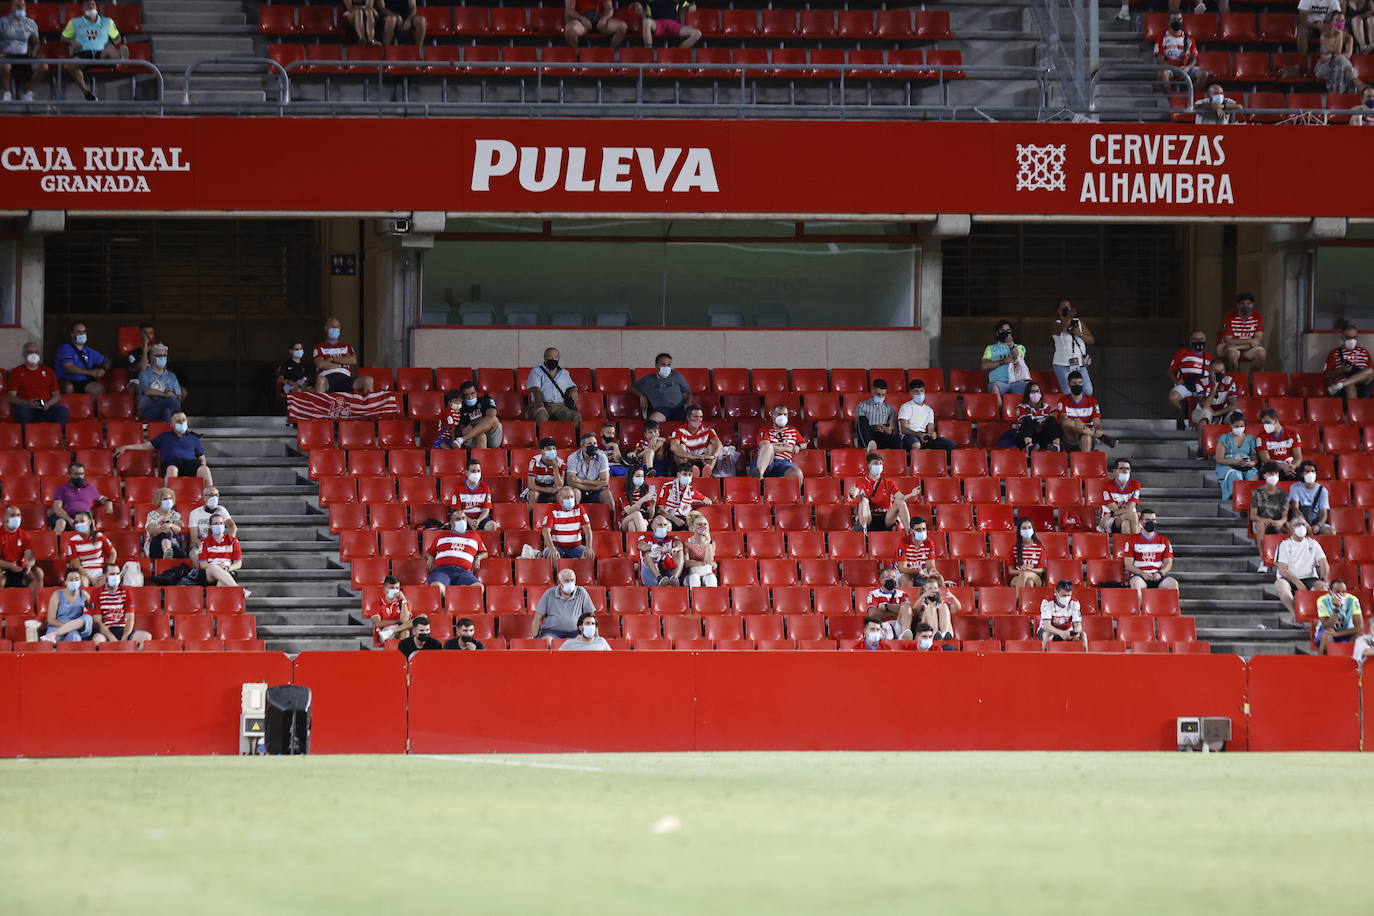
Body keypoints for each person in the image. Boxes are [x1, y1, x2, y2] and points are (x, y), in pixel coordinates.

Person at [115, 412, 214, 487]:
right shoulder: (164, 437)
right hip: (171, 464)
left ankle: (210, 496)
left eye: (184, 420)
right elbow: (146, 446)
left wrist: (202, 467)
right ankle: (168, 498)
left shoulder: (193, 438)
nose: (182, 423)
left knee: (204, 469)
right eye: (178, 421)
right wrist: (126, 447)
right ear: (172, 424)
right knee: (172, 469)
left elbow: (202, 457)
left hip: (190, 463)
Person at [61, 0, 125, 102]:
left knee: (110, 48)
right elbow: (63, 37)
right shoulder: (74, 22)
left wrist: (113, 42)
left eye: (92, 4)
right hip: (83, 54)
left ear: (96, 7)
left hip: (102, 54)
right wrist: (71, 41)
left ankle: (121, 58)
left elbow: (117, 38)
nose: (90, 6)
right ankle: (86, 92)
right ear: (83, 9)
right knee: (72, 64)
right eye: (87, 4)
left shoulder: (108, 22)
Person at [1273, 520, 1329, 620]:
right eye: (1297, 525)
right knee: (1280, 585)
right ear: (1291, 527)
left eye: (1303, 524)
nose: (1301, 527)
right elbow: (1282, 570)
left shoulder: (1313, 543)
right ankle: (1295, 614)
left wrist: (1323, 580)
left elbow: (1324, 563)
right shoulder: (1284, 545)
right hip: (1289, 579)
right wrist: (1297, 583)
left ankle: (1321, 618)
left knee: (1323, 586)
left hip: (1310, 578)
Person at [849, 452, 915, 532]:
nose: (879, 466)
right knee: (864, 501)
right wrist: (852, 494)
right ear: (869, 465)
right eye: (876, 463)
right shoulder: (862, 481)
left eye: (880, 463)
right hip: (869, 517)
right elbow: (855, 492)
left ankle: (909, 532)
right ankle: (863, 531)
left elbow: (901, 497)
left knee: (901, 502)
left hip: (886, 517)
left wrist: (911, 494)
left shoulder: (888, 483)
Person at [425, 514, 487, 597]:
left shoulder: (474, 536)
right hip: (442, 571)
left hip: (464, 572)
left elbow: (485, 553)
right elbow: (428, 552)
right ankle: (453, 602)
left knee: (478, 588)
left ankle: (458, 603)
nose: (462, 521)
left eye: (463, 518)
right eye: (458, 519)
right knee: (437, 588)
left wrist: (478, 558)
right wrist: (430, 557)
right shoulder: (440, 536)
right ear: (451, 522)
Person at [0, 0, 49, 103]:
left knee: (43, 67)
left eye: (23, 5)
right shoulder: (2, 22)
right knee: (4, 66)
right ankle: (7, 93)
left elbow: (36, 42)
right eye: (18, 5)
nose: (21, 8)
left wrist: (34, 51)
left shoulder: (30, 23)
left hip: (25, 55)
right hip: (7, 55)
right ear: (12, 7)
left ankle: (27, 92)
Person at [7, 342, 68, 424]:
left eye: (36, 352)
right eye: (30, 352)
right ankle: (25, 435)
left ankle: (59, 436)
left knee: (62, 411)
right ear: (24, 355)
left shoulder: (48, 371)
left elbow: (56, 395)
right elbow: (11, 397)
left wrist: (48, 404)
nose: (34, 355)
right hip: (27, 408)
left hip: (46, 408)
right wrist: (28, 403)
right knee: (21, 411)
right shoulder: (17, 372)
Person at [1056, 371, 1118, 451]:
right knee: (1067, 422)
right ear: (1069, 384)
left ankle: (1084, 461)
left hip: (1086, 436)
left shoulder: (1092, 401)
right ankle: (1101, 437)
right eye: (1074, 383)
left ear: (1083, 383)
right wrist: (1076, 420)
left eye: (1079, 382)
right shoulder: (1063, 400)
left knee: (1087, 437)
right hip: (1070, 437)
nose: (1077, 385)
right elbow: (1063, 420)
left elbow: (1097, 423)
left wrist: (1097, 429)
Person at [90, 563, 149, 646]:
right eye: (112, 574)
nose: (115, 576)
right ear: (104, 576)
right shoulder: (96, 593)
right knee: (97, 640)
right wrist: (111, 637)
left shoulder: (126, 592)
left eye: (117, 574)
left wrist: (125, 637)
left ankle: (133, 659)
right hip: (105, 630)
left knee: (146, 637)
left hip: (122, 629)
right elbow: (97, 622)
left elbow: (130, 619)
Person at [1123, 508, 1179, 596]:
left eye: (1153, 520)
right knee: (1136, 583)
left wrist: (1160, 573)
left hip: (1158, 576)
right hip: (1140, 576)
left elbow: (1168, 563)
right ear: (1141, 522)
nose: (1151, 522)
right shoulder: (1132, 541)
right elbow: (1128, 565)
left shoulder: (1164, 541)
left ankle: (1172, 610)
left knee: (1173, 584)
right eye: (1147, 520)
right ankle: (1139, 610)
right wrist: (1142, 573)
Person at [540, 486, 595, 572]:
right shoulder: (552, 510)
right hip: (556, 546)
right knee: (553, 556)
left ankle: (579, 580)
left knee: (588, 555)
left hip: (575, 547)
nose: (570, 499)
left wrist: (589, 547)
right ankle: (558, 581)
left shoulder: (579, 509)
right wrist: (552, 549)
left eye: (571, 497)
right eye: (566, 497)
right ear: (560, 499)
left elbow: (588, 529)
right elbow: (545, 531)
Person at [531, 568, 597, 639]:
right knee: (548, 640)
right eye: (566, 581)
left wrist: (596, 636)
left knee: (580, 642)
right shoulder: (549, 593)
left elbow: (591, 616)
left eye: (572, 580)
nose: (570, 583)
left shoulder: (581, 592)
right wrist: (535, 637)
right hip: (551, 631)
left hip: (576, 632)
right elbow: (538, 616)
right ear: (559, 582)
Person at [434, 382, 502, 449]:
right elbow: (463, 429)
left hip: (491, 435)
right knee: (480, 435)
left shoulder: (486, 400)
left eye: (472, 393)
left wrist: (472, 424)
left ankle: (462, 439)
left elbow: (491, 415)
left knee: (494, 419)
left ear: (476, 392)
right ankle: (482, 459)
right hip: (472, 438)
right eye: (466, 395)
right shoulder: (460, 407)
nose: (470, 397)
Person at [313, 318, 374, 395]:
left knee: (368, 380)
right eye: (332, 327)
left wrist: (332, 359)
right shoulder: (319, 347)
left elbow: (353, 360)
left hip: (345, 378)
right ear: (326, 328)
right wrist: (342, 364)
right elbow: (320, 364)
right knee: (320, 380)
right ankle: (319, 406)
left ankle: (368, 406)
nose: (335, 329)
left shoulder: (347, 347)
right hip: (327, 378)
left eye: (337, 327)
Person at [896, 379, 957, 454]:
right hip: (909, 436)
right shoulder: (905, 407)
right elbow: (904, 429)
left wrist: (932, 433)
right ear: (911, 392)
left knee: (950, 445)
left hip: (924, 436)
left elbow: (930, 428)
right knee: (916, 444)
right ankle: (916, 464)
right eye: (916, 391)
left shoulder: (929, 410)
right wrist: (919, 434)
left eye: (921, 391)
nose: (919, 393)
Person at [49, 461, 112, 533]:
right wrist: (69, 519)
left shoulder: (89, 488)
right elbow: (57, 507)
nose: (79, 477)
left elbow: (102, 498)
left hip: (83, 517)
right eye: (76, 474)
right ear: (69, 475)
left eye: (81, 474)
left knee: (88, 522)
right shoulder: (62, 488)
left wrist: (108, 502)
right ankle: (54, 543)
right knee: (61, 523)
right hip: (65, 517)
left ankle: (91, 542)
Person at [1167, 331, 1213, 429]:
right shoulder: (1182, 353)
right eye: (1195, 339)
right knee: (1173, 398)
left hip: (1201, 388)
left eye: (1201, 339)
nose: (1199, 342)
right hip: (1185, 386)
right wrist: (1176, 381)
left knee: (1204, 410)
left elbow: (1212, 375)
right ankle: (1180, 418)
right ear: (1190, 341)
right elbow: (1169, 371)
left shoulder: (1209, 357)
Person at [1250, 463, 1290, 573]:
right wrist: (1264, 520)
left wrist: (1280, 522)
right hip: (1261, 521)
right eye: (1270, 473)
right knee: (1260, 525)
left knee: (1290, 527)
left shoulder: (1283, 494)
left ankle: (1288, 562)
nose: (1274, 475)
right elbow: (1253, 516)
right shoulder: (1256, 493)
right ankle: (1264, 561)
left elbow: (1285, 517)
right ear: (1264, 476)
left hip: (1276, 521)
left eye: (1276, 473)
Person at [525, 347, 582, 425]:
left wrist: (573, 389)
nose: (553, 359)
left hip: (560, 407)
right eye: (550, 357)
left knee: (575, 416)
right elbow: (536, 390)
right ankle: (543, 437)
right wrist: (540, 405)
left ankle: (575, 437)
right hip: (543, 404)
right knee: (541, 415)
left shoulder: (564, 373)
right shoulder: (536, 371)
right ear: (544, 358)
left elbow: (572, 385)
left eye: (555, 357)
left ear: (558, 359)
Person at [0, 504, 43, 606]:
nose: (16, 517)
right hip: (4, 567)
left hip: (19, 567)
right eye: (12, 515)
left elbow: (30, 555)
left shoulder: (23, 535)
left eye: (18, 515)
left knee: (37, 575)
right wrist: (10, 565)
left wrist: (29, 563)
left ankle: (32, 607)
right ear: (4, 517)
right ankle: (2, 609)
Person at [1050, 299, 1095, 395]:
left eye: (1068, 307)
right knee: (1068, 391)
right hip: (1062, 363)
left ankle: (1082, 409)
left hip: (1079, 363)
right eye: (1064, 307)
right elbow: (1060, 329)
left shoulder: (1078, 323)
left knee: (1088, 390)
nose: (1067, 309)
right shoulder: (1056, 323)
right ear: (1058, 310)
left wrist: (1079, 334)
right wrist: (1068, 316)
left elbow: (1091, 340)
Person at [1154, 13, 1207, 92]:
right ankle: (1172, 98)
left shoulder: (1189, 38)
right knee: (1162, 74)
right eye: (1174, 20)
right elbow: (1160, 60)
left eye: (1179, 19)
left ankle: (1191, 96)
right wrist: (1175, 69)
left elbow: (1194, 58)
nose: (1177, 22)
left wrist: (1188, 67)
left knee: (1204, 74)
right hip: (1170, 68)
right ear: (1168, 22)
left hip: (1185, 67)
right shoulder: (1161, 38)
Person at [61, 510, 115, 587]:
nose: (79, 524)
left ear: (89, 522)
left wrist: (107, 571)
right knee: (83, 583)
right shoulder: (73, 541)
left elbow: (113, 553)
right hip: (83, 572)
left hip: (100, 570)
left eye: (82, 521)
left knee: (106, 583)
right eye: (76, 522)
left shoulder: (99, 536)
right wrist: (91, 578)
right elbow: (76, 565)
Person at [752, 404, 808, 479]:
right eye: (779, 414)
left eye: (785, 414)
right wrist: (789, 448)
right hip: (767, 461)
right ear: (773, 415)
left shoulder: (793, 430)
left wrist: (799, 446)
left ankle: (794, 490)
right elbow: (765, 447)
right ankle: (759, 477)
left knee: (797, 473)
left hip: (784, 462)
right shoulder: (764, 430)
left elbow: (804, 444)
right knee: (768, 446)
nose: (782, 417)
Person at [53, 322, 109, 395]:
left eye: (84, 332)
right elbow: (69, 367)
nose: (82, 334)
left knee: (98, 389)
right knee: (68, 387)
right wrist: (91, 372)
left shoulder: (90, 351)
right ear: (72, 334)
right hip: (67, 380)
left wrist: (103, 369)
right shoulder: (65, 348)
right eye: (78, 331)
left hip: (84, 382)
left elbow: (107, 361)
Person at [134, 344, 187, 421]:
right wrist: (165, 394)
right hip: (149, 410)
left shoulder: (171, 376)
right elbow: (147, 391)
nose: (162, 358)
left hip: (168, 409)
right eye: (158, 356)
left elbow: (178, 396)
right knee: (171, 400)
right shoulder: (144, 374)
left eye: (164, 355)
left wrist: (175, 396)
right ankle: (181, 425)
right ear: (151, 357)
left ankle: (171, 430)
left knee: (167, 412)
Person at [39, 570, 95, 642]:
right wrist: (68, 627)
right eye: (71, 579)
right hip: (58, 626)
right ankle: (53, 635)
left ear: (80, 581)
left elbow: (93, 612)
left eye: (77, 579)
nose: (74, 581)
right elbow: (50, 620)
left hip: (75, 627)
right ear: (65, 582)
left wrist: (73, 626)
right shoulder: (57, 594)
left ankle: (55, 635)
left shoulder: (84, 594)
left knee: (87, 618)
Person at [1214, 411, 1259, 502]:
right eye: (1236, 426)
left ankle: (1250, 501)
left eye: (1242, 426)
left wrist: (1252, 463)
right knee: (1236, 475)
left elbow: (1254, 457)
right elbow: (1219, 458)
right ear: (1231, 425)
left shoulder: (1250, 439)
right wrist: (1234, 462)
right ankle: (1239, 499)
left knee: (1253, 475)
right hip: (1228, 465)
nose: (1239, 428)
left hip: (1245, 465)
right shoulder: (1224, 438)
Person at [634, 353, 693, 422]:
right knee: (654, 420)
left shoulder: (677, 377)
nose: (666, 367)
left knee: (693, 418)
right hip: (661, 410)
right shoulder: (647, 380)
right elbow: (631, 388)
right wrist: (641, 396)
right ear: (656, 365)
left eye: (668, 365)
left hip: (679, 408)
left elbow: (689, 393)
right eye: (663, 364)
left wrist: (688, 402)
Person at [1217, 292, 1265, 373]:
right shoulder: (1229, 316)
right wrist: (1250, 341)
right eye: (1242, 304)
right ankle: (1233, 381)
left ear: (1253, 305)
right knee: (1231, 355)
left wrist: (1238, 347)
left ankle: (1251, 381)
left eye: (1249, 303)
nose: (1246, 306)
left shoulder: (1258, 316)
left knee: (1261, 354)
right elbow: (1228, 341)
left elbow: (1258, 340)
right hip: (1231, 346)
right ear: (1238, 305)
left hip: (1242, 346)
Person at [1324, 321, 1373, 399]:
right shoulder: (1334, 353)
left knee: (1369, 371)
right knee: (1350, 387)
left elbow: (1371, 372)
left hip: (1363, 383)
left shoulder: (1364, 351)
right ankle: (1352, 410)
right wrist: (1341, 370)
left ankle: (1342, 384)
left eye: (1354, 337)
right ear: (1342, 337)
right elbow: (1326, 375)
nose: (1352, 340)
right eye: (1348, 338)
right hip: (1344, 386)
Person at [668, 405, 721, 476]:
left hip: (703, 458)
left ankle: (707, 474)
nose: (699, 419)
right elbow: (674, 447)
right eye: (696, 417)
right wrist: (691, 456)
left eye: (701, 417)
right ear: (688, 418)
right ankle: (687, 473)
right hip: (687, 459)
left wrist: (713, 456)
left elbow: (719, 445)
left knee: (711, 447)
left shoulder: (708, 429)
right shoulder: (679, 430)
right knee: (681, 447)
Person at [1316, 11, 1361, 94]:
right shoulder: (1324, 36)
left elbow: (1348, 55)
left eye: (1342, 20)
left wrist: (1336, 55)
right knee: (1345, 66)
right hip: (1325, 65)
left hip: (1342, 64)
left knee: (1341, 62)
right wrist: (1340, 34)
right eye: (1337, 20)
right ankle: (1348, 94)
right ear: (1331, 22)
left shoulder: (1349, 37)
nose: (1340, 23)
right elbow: (1337, 50)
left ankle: (1336, 95)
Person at [447, 459, 497, 532]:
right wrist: (469, 521)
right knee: (458, 525)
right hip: (464, 519)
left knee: (492, 525)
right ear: (466, 473)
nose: (476, 473)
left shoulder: (485, 487)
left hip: (480, 519)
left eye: (478, 471)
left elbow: (486, 510)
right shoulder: (459, 488)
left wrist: (478, 521)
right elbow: (457, 511)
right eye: (473, 471)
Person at [981, 321, 1030, 396]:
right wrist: (1002, 361)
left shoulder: (1019, 347)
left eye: (1008, 330)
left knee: (1032, 388)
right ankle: (999, 407)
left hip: (1017, 382)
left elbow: (1017, 357)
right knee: (995, 388)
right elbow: (984, 366)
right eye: (1002, 331)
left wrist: (1011, 346)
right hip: (998, 382)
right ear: (997, 333)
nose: (1005, 333)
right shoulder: (990, 348)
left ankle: (1024, 408)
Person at [865, 566, 914, 640]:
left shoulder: (902, 594)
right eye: (888, 577)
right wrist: (897, 613)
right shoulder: (874, 594)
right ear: (881, 580)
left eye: (894, 577)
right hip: (883, 625)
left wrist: (886, 606)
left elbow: (907, 611)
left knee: (906, 607)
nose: (892, 579)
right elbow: (873, 614)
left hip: (899, 624)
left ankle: (905, 636)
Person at [566, 430, 614, 506]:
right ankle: (575, 516)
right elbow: (571, 483)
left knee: (607, 494)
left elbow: (605, 482)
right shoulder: (573, 457)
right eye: (589, 444)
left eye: (595, 443)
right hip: (580, 490)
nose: (593, 446)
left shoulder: (602, 456)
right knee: (575, 493)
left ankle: (612, 518)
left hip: (596, 492)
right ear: (582, 446)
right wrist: (596, 486)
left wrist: (580, 480)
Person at [854, 378, 903, 451]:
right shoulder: (863, 405)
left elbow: (893, 427)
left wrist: (888, 430)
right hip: (868, 434)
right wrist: (874, 427)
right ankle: (868, 448)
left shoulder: (889, 409)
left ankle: (896, 459)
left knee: (896, 438)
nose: (880, 397)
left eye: (883, 395)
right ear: (873, 391)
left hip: (882, 434)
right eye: (878, 394)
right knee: (862, 419)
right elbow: (857, 426)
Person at [1315, 580, 1363, 655]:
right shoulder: (1322, 600)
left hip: (1346, 631)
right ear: (1330, 592)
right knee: (1326, 635)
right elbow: (1326, 626)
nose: (1341, 594)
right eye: (1337, 592)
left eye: (1343, 592)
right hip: (1327, 631)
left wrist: (1337, 634)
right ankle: (1323, 664)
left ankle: (1351, 662)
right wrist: (1337, 609)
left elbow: (1359, 627)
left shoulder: (1353, 600)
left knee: (1360, 636)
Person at [1288, 461, 1335, 535]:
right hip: (1299, 520)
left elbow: (1323, 513)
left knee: (1330, 532)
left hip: (1316, 521)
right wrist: (1305, 524)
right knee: (1297, 530)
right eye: (1307, 471)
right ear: (1302, 474)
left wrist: (1318, 526)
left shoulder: (1322, 490)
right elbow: (1295, 509)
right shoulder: (1295, 487)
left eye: (1313, 471)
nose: (1311, 474)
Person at [1014, 382, 1063, 454]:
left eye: (1038, 391)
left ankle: (1056, 446)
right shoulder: (1021, 407)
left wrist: (1050, 414)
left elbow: (1048, 423)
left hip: (1042, 435)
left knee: (1052, 419)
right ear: (1028, 393)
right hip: (1027, 436)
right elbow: (1022, 421)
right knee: (1027, 419)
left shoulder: (1046, 406)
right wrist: (1040, 421)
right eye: (1033, 391)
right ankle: (1029, 447)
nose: (1036, 394)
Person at [198, 519, 245, 592]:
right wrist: (217, 567)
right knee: (213, 567)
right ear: (210, 526)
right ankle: (239, 590)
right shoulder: (204, 542)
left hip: (227, 570)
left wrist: (227, 568)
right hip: (209, 574)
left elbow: (238, 564)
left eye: (221, 523)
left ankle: (217, 602)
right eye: (216, 523)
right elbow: (203, 564)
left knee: (222, 581)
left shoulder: (233, 541)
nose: (219, 525)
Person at [1038, 579, 1087, 649]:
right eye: (1064, 595)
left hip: (1067, 631)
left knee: (1083, 635)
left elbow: (1078, 625)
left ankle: (1085, 658)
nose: (1066, 598)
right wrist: (1060, 633)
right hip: (1050, 630)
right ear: (1056, 592)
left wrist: (1075, 632)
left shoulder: (1074, 603)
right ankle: (1044, 657)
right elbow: (1046, 625)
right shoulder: (1047, 602)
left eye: (1068, 595)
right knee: (1047, 635)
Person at [187, 486, 236, 555]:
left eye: (216, 495)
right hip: (201, 543)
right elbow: (194, 538)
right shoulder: (195, 513)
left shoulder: (222, 510)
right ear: (203, 497)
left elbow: (232, 526)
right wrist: (206, 548)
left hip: (219, 542)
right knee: (194, 554)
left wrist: (228, 543)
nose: (214, 497)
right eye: (211, 495)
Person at [1256, 408, 1302, 481]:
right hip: (1271, 468)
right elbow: (1266, 460)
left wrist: (1293, 466)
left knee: (1299, 474)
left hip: (1289, 467)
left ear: (1276, 420)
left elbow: (1298, 457)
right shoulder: (1261, 437)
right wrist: (1283, 467)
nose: (1265, 426)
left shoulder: (1292, 434)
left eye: (1268, 422)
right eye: (1264, 423)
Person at [365, 575, 412, 647]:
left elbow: (404, 621)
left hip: (399, 629)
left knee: (421, 618)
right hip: (385, 632)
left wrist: (403, 600)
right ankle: (391, 632)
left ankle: (400, 655)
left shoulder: (403, 603)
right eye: (392, 588)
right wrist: (396, 621)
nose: (395, 590)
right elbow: (378, 624)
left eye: (397, 588)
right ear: (384, 589)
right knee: (406, 630)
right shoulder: (377, 604)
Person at [637, 518, 684, 586]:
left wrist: (674, 549)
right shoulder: (645, 537)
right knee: (648, 553)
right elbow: (641, 546)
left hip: (667, 569)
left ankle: (674, 578)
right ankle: (659, 578)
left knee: (679, 552)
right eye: (660, 525)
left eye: (665, 525)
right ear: (652, 526)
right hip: (651, 574)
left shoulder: (672, 538)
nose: (663, 527)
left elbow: (679, 544)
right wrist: (656, 548)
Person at [143, 487, 187, 559]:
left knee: (182, 555)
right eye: (165, 499)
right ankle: (167, 550)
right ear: (159, 501)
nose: (168, 501)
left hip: (173, 544)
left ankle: (168, 551)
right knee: (165, 533)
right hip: (155, 543)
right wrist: (164, 528)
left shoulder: (176, 515)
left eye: (170, 498)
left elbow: (179, 529)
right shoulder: (152, 514)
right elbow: (152, 531)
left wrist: (170, 525)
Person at [1100, 458, 1141, 535]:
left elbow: (1130, 508)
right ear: (1115, 471)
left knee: (1125, 523)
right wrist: (1112, 514)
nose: (1125, 471)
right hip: (1110, 520)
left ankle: (1129, 545)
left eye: (1127, 469)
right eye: (1122, 469)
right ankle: (1136, 542)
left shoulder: (1135, 485)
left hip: (1125, 518)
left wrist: (1111, 513)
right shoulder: (1107, 486)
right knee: (1133, 515)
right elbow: (1114, 509)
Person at [893, 516, 939, 584]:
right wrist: (917, 571)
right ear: (911, 530)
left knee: (939, 579)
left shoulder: (929, 543)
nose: (922, 532)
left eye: (924, 529)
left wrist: (932, 571)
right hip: (904, 572)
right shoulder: (903, 542)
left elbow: (930, 565)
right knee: (906, 580)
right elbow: (902, 568)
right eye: (918, 530)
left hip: (921, 571)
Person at [1192, 358, 1238, 426]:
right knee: (1204, 419)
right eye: (1216, 371)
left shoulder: (1229, 381)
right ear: (1209, 371)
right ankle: (1203, 436)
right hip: (1202, 411)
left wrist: (1215, 413)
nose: (1219, 374)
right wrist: (1214, 387)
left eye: (1222, 371)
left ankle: (1228, 436)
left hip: (1221, 411)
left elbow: (1233, 405)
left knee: (1237, 416)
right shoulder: (1201, 382)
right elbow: (1204, 405)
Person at [563, 0, 628, 49]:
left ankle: (610, 52)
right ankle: (576, 55)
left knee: (622, 27)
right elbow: (569, 10)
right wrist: (582, 19)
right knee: (570, 29)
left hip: (599, 20)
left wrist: (604, 19)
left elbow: (609, 9)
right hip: (581, 21)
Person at [1008, 521, 1047, 600]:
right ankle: (1028, 606)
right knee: (1029, 582)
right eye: (1024, 528)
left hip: (1036, 577)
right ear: (1019, 531)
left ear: (1033, 530)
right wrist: (1022, 571)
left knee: (1026, 575)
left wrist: (1030, 570)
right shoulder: (1014, 548)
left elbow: (1043, 569)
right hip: (1017, 577)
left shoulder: (1039, 548)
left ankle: (1016, 605)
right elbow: (1011, 571)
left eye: (1029, 527)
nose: (1027, 530)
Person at [525, 436, 566, 506]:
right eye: (548, 449)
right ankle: (530, 515)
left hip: (553, 489)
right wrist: (548, 491)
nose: (552, 451)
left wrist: (555, 467)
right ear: (542, 451)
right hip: (537, 488)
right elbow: (531, 485)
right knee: (534, 494)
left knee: (561, 494)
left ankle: (559, 515)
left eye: (554, 448)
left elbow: (559, 485)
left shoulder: (561, 463)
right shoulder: (535, 461)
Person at [682, 510, 718, 588]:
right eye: (699, 524)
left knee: (711, 578)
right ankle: (693, 598)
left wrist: (708, 542)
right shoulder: (687, 543)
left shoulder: (711, 543)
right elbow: (687, 563)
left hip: (706, 573)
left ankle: (713, 599)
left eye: (705, 524)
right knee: (694, 578)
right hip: (692, 574)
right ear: (693, 527)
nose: (703, 527)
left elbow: (709, 560)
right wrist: (703, 563)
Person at [915, 576, 954, 641]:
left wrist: (953, 598)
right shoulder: (922, 602)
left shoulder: (941, 603)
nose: (933, 590)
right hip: (925, 629)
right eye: (930, 588)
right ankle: (935, 633)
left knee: (943, 606)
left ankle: (945, 632)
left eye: (935, 588)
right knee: (931, 607)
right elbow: (915, 610)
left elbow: (957, 608)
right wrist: (923, 596)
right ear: (924, 590)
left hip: (941, 627)